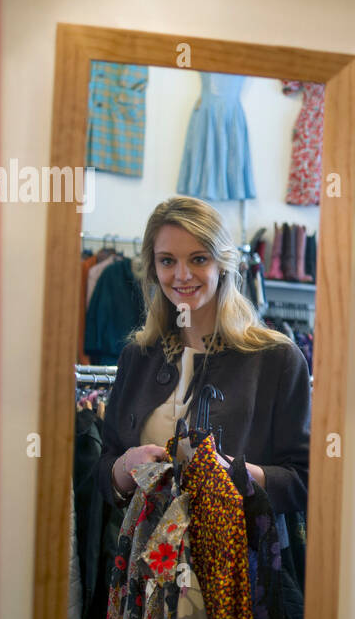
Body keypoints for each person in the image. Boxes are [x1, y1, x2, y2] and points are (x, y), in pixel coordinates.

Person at [95, 196, 310, 516]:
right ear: (153, 269)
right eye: (167, 261)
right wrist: (125, 468)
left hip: (241, 559)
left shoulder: (277, 359)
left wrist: (237, 474)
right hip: (146, 560)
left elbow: (305, 482)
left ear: (222, 264)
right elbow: (104, 471)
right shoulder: (137, 357)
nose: (182, 275)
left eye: (198, 259)